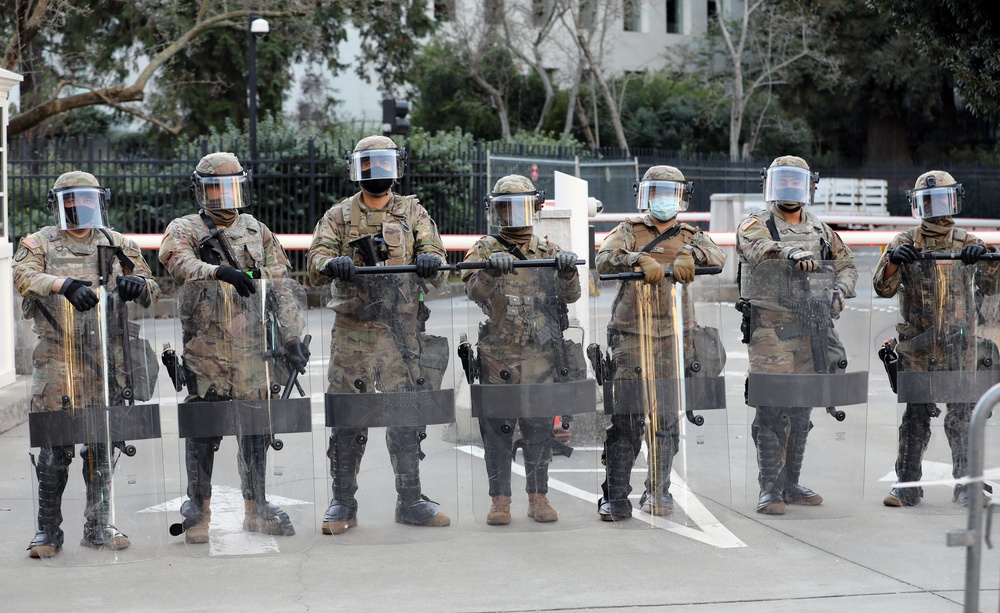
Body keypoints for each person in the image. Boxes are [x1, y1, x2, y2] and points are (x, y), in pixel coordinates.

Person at [159, 152, 310, 544]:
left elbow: (280, 285)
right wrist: (217, 271)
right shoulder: (185, 227)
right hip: (207, 347)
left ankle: (256, 507)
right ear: (200, 189)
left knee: (255, 427)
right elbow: (178, 263)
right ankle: (199, 510)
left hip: (252, 347)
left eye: (231, 187)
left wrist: (292, 337)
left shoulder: (257, 230)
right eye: (215, 188)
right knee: (205, 428)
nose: (224, 196)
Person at [307, 135, 450, 534]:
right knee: (349, 419)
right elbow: (315, 261)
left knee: (404, 416)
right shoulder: (339, 215)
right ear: (357, 169)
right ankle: (342, 503)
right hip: (353, 331)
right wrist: (333, 262)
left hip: (399, 330)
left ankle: (410, 500)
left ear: (396, 167)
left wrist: (428, 261)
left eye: (383, 164)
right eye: (368, 165)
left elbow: (437, 256)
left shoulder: (412, 212)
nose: (376, 173)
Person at [14, 171, 160, 558]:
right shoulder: (39, 242)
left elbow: (151, 285)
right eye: (70, 201)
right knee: (54, 444)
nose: (79, 207)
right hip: (56, 353)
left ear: (99, 202)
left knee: (101, 441)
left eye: (86, 200)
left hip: (105, 355)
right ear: (58, 204)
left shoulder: (117, 243)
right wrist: (63, 285)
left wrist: (138, 286)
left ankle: (98, 525)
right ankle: (48, 531)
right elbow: (22, 276)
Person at [596, 165, 726, 521]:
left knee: (666, 419)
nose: (664, 201)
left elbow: (719, 257)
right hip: (631, 335)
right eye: (657, 193)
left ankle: (658, 491)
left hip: (674, 334)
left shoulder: (690, 234)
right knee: (627, 419)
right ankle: (615, 496)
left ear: (682, 197)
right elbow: (603, 260)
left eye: (671, 193)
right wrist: (636, 258)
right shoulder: (629, 231)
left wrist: (691, 255)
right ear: (646, 196)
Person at [736, 155, 857, 515]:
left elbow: (847, 264)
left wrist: (838, 291)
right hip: (771, 329)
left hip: (812, 326)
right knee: (773, 407)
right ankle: (769, 489)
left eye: (796, 182)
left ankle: (791, 484)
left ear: (808, 187)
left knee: (802, 409)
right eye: (782, 181)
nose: (789, 189)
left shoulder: (820, 228)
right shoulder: (756, 223)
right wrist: (789, 250)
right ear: (770, 185)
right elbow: (755, 249)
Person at [875, 170, 999, 508]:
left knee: (963, 416)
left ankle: (967, 485)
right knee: (915, 417)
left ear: (955, 201)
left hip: (959, 345)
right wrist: (892, 263)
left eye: (943, 201)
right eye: (928, 203)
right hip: (918, 345)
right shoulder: (904, 242)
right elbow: (882, 288)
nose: (937, 210)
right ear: (917, 206)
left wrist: (984, 260)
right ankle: (907, 485)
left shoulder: (968, 241)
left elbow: (992, 287)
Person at [461, 174, 580, 525]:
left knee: (539, 429)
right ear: (496, 212)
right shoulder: (484, 249)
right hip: (499, 356)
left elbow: (570, 296)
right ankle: (500, 501)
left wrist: (568, 271)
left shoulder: (547, 250)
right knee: (497, 430)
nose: (515, 216)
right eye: (506, 208)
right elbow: (472, 292)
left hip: (540, 356)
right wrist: (488, 274)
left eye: (523, 207)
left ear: (535, 209)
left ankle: (538, 497)